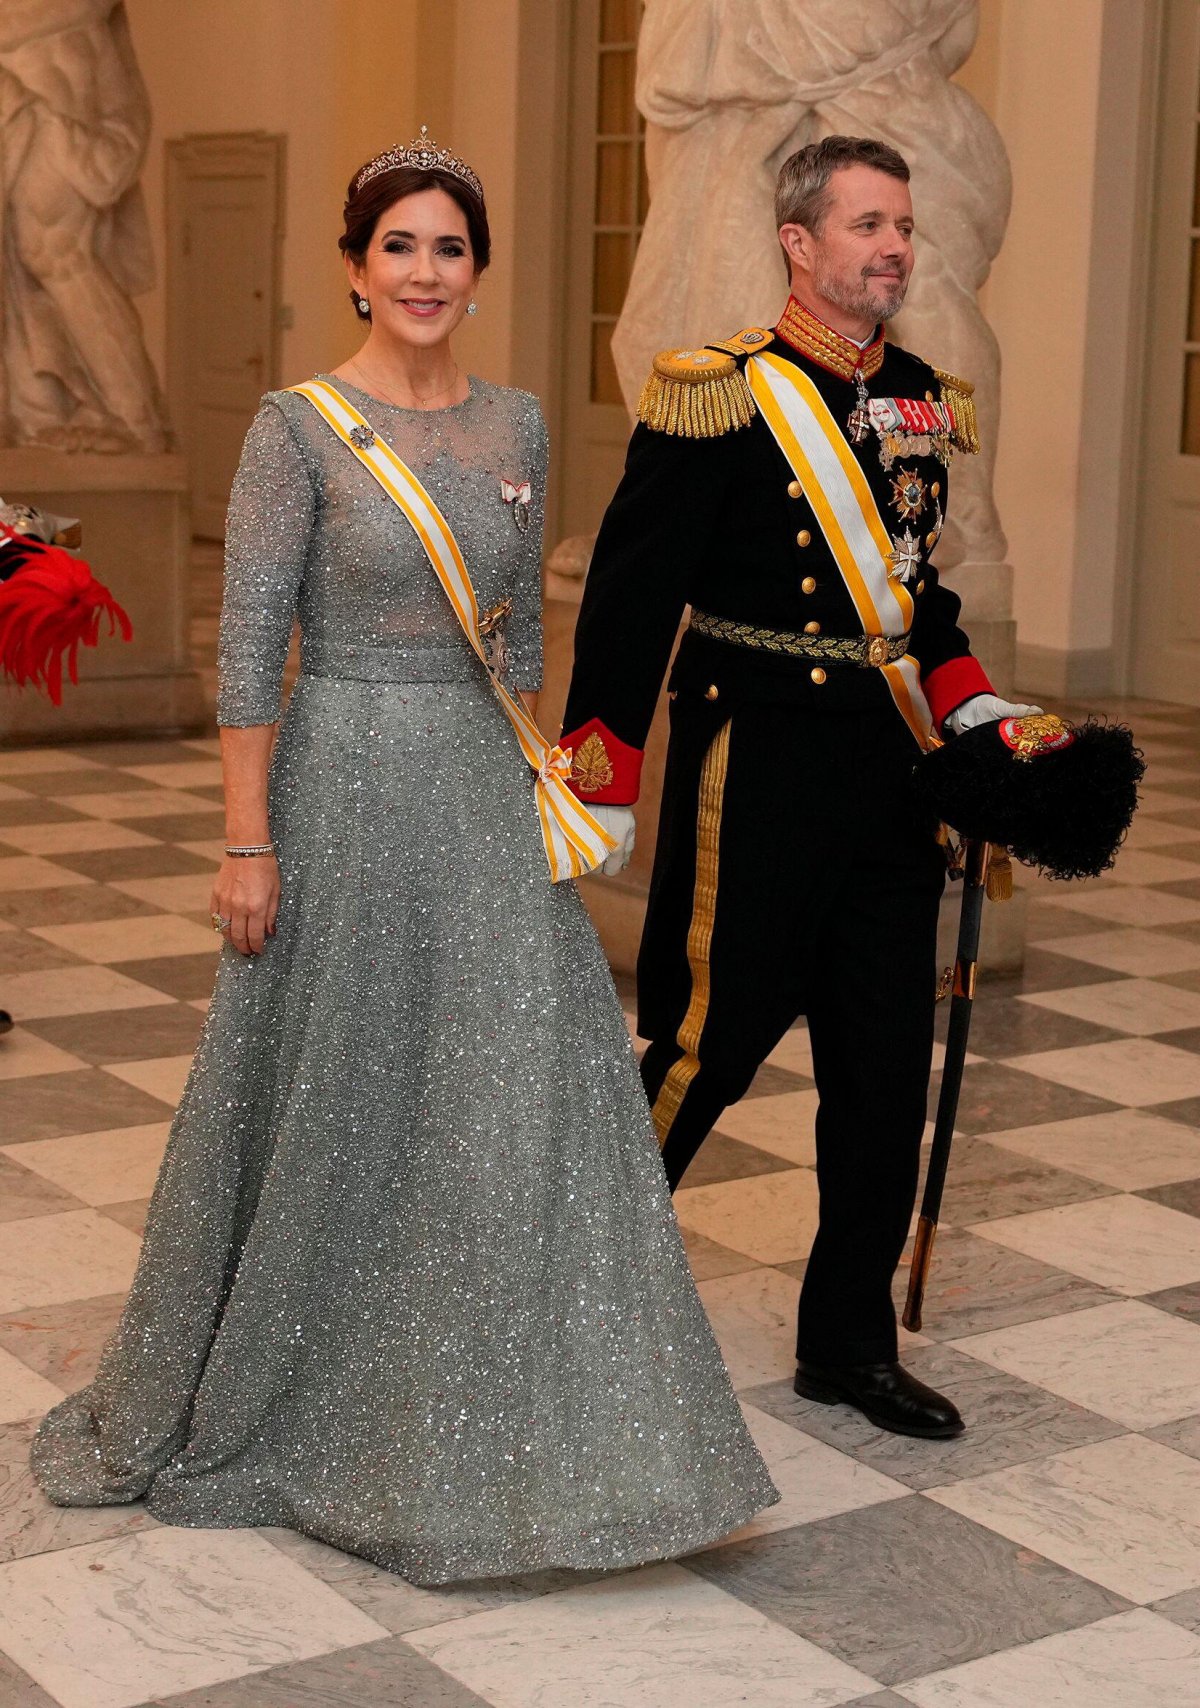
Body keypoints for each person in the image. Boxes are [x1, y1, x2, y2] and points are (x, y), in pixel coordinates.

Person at [31, 130, 777, 1583]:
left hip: (482, 790)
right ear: (357, 269)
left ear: (479, 276)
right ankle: (315, 1391)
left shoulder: (519, 426)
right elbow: (252, 649)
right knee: (342, 1090)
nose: (424, 271)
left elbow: (520, 643)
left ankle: (512, 1409)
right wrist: (247, 841)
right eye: (399, 247)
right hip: (340, 787)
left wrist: (554, 782)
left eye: (450, 248)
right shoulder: (294, 427)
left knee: (512, 1096)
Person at [562, 135, 1037, 1440]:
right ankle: (559, 1292)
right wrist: (596, 778)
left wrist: (980, 715)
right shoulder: (717, 395)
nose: (891, 247)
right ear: (800, 243)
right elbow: (628, 600)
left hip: (889, 787)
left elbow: (916, 599)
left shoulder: (920, 402)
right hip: (754, 770)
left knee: (882, 1074)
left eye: (902, 225)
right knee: (704, 1051)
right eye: (867, 224)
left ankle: (847, 1345)